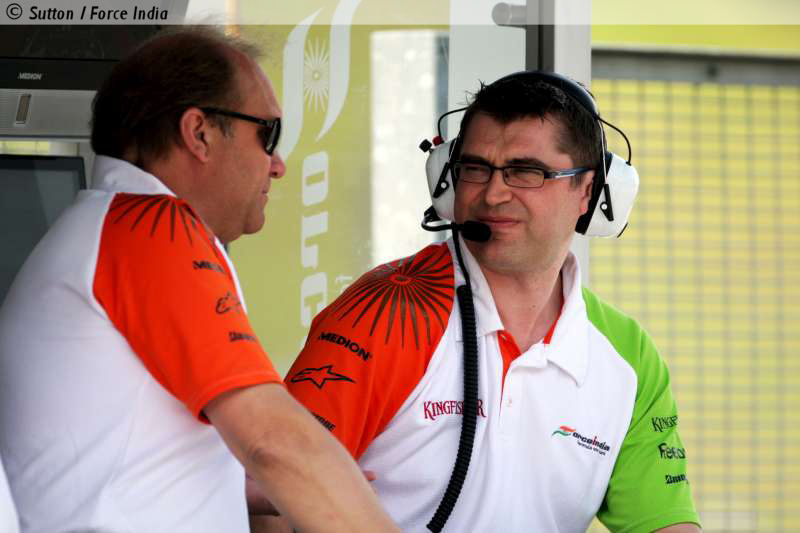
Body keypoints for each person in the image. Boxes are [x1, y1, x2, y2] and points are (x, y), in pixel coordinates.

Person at [0, 27, 396, 533]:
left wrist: (230, 485)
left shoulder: (109, 225)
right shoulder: (149, 229)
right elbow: (273, 440)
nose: (278, 165)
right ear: (199, 133)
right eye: (268, 134)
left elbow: (111, 453)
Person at [286, 72, 702, 532]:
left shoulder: (628, 355)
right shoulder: (387, 313)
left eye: (526, 172)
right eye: (475, 168)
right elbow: (273, 498)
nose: (493, 193)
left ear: (588, 190)